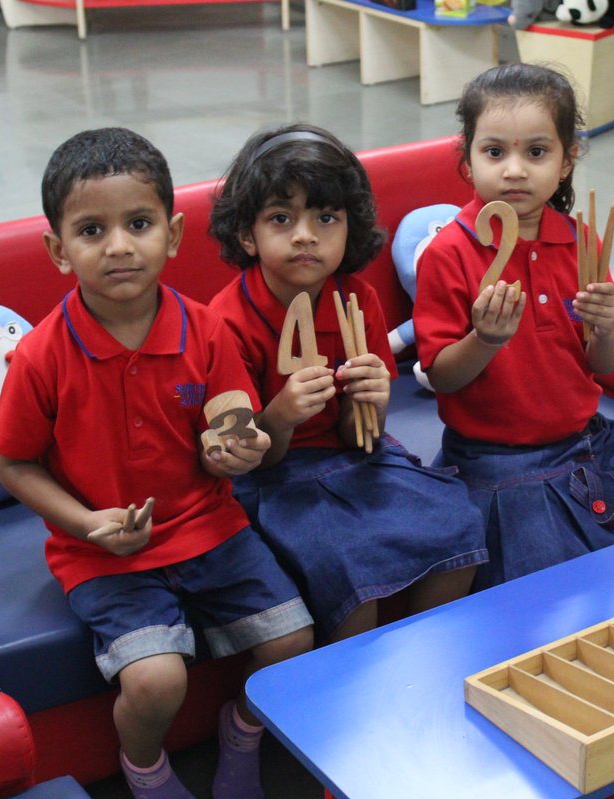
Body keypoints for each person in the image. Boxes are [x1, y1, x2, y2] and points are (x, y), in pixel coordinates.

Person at [0, 127, 314, 799]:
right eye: (91, 230)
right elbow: (14, 462)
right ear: (58, 250)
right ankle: (145, 769)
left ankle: (242, 732)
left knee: (293, 644)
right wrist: (87, 523)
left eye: (138, 224)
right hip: (101, 555)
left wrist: (240, 449)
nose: (118, 246)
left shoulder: (207, 331)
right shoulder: (42, 355)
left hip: (211, 530)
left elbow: (231, 427)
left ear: (173, 233)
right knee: (155, 680)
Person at [207, 123, 488, 644]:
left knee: (459, 523)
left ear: (349, 229)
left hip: (354, 459)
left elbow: (363, 438)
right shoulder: (225, 322)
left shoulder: (357, 300)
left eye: (326, 217)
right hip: (275, 478)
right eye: (281, 218)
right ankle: (353, 682)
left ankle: (424, 653)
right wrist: (281, 414)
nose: (305, 235)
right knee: (346, 562)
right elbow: (252, 460)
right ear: (247, 234)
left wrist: (373, 402)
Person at [413, 63, 614, 591]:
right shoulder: (449, 252)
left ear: (568, 159)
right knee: (537, 603)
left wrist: (604, 329)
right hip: (491, 461)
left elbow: (606, 364)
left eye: (537, 152)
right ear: (467, 159)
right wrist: (485, 340)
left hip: (583, 449)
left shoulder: (582, 243)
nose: (515, 171)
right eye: (494, 152)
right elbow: (442, 376)